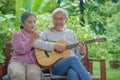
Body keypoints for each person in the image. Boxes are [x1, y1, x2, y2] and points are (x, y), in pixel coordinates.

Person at [33, 8, 91, 80]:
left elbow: (77, 55)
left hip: (72, 65)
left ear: (66, 20)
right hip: (56, 67)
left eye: (61, 19)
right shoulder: (47, 32)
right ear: (52, 20)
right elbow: (35, 42)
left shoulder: (71, 33)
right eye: (55, 19)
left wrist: (82, 53)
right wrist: (54, 46)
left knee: (73, 73)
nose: (58, 21)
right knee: (73, 59)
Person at [7, 12, 42, 80]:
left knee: (33, 75)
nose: (33, 25)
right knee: (19, 75)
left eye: (34, 22)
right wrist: (32, 38)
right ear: (22, 24)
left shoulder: (39, 35)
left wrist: (51, 29)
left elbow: (48, 43)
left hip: (33, 63)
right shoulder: (17, 35)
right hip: (17, 62)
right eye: (29, 22)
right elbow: (21, 50)